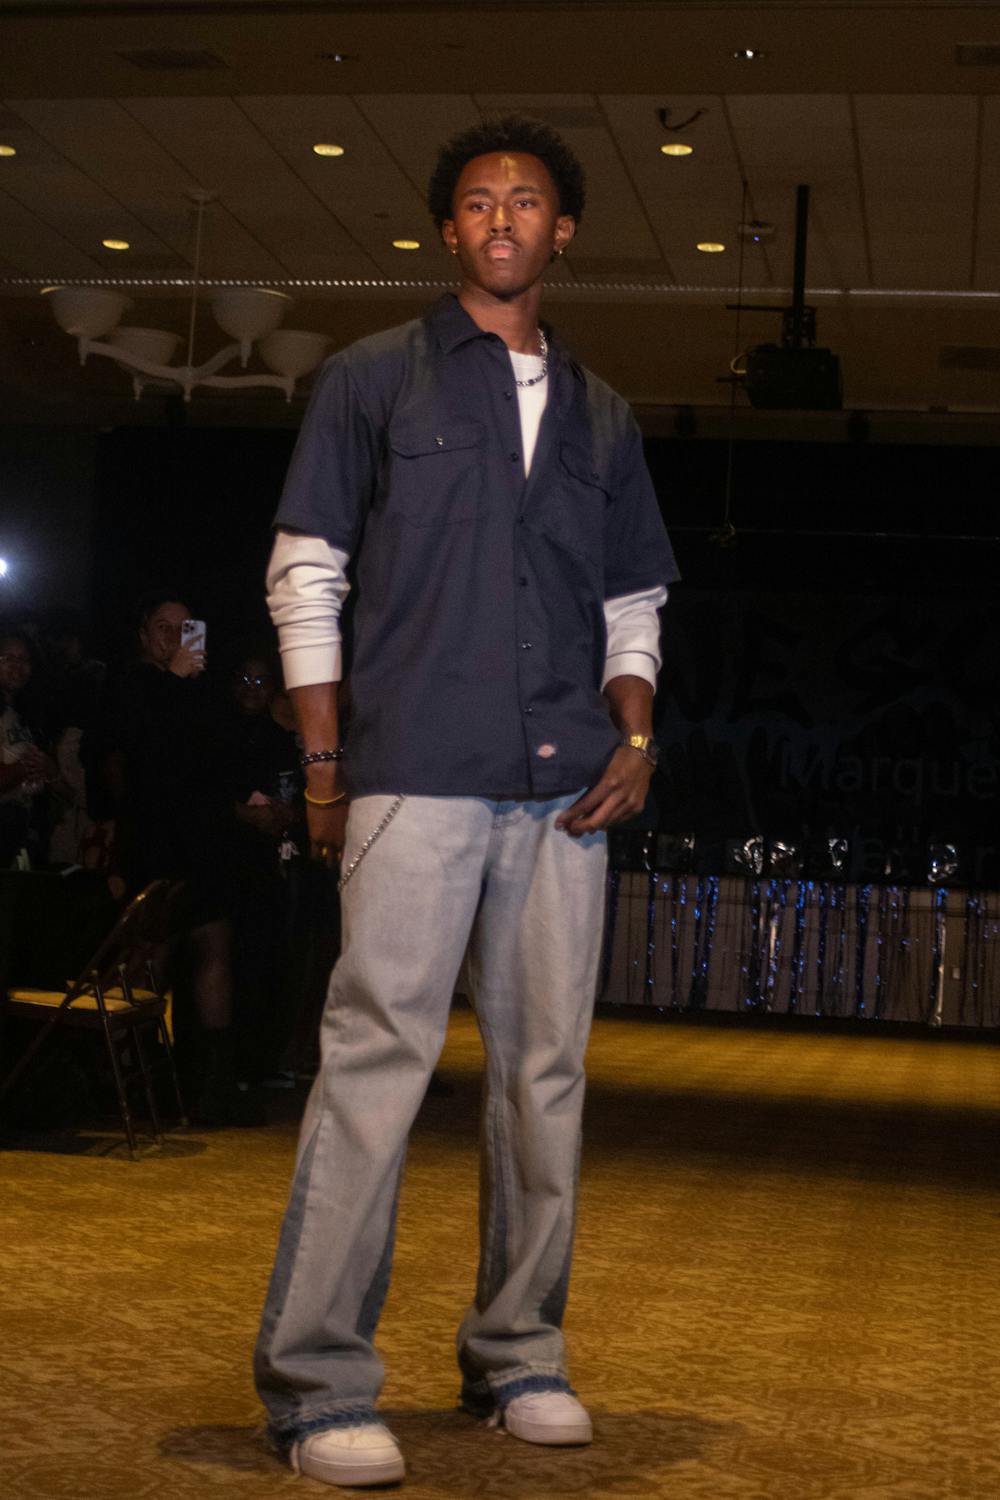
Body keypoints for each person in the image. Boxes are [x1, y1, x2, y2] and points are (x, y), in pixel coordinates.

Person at [255, 115, 679, 1489]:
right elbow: (306, 572)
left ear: (563, 232)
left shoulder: (605, 415)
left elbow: (634, 598)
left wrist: (636, 728)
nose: (503, 216)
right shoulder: (373, 377)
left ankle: (518, 1355)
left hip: (564, 792)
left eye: (528, 199)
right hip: (413, 775)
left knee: (545, 1077)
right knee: (375, 1065)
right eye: (480, 200)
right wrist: (325, 766)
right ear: (449, 230)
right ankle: (318, 1383)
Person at [0, 630, 57, 867]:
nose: (17, 666)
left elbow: (54, 779)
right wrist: (25, 768)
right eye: (8, 659)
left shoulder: (31, 717)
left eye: (24, 659)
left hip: (28, 830)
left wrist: (49, 768)